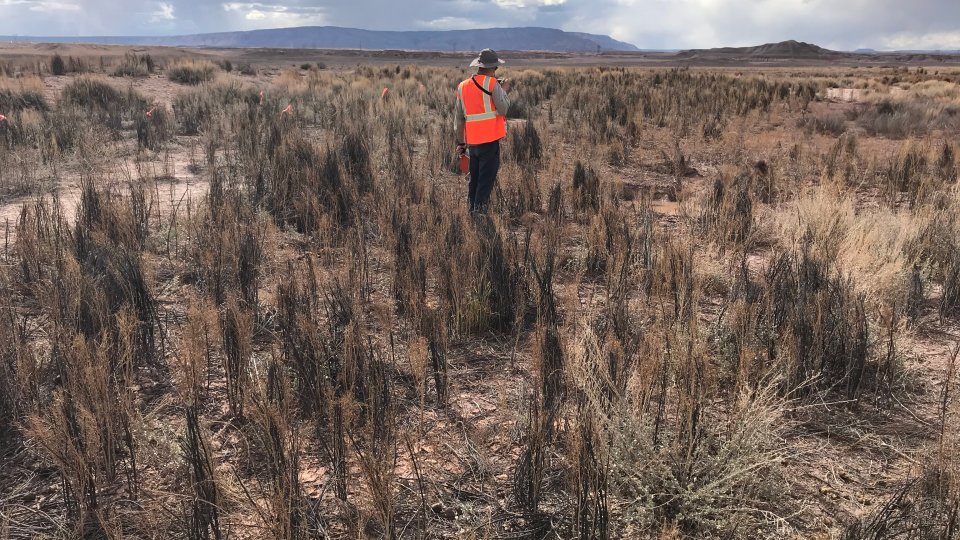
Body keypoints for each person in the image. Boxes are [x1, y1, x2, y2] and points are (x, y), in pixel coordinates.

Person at [455, 49, 511, 213]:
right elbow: (504, 109)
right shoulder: (493, 84)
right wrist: (504, 91)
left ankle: (471, 211)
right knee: (485, 181)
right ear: (494, 67)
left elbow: (458, 118)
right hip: (490, 141)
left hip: (472, 142)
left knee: (475, 179)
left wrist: (461, 142)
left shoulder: (462, 86)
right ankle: (479, 216)